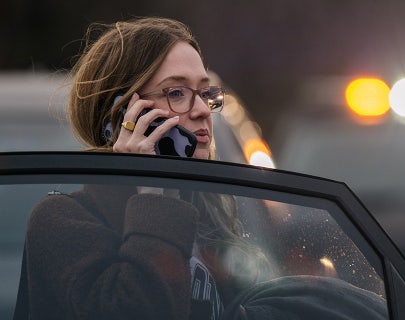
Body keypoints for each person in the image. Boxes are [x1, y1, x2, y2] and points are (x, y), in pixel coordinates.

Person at [22, 16, 271, 320]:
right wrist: (148, 183)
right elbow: (137, 311)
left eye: (206, 93)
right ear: (122, 115)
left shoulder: (206, 211)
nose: (203, 110)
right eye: (176, 92)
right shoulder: (61, 220)